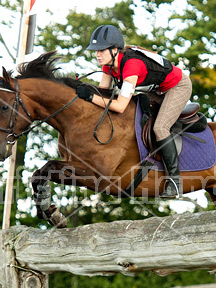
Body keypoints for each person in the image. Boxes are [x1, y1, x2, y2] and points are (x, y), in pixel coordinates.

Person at [76, 24, 192, 198]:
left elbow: (119, 106)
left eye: (101, 50)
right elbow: (104, 93)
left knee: (160, 128)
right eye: (96, 50)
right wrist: (83, 90)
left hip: (177, 87)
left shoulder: (131, 66)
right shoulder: (108, 66)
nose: (97, 55)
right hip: (155, 91)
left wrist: (91, 97)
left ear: (115, 50)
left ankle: (175, 182)